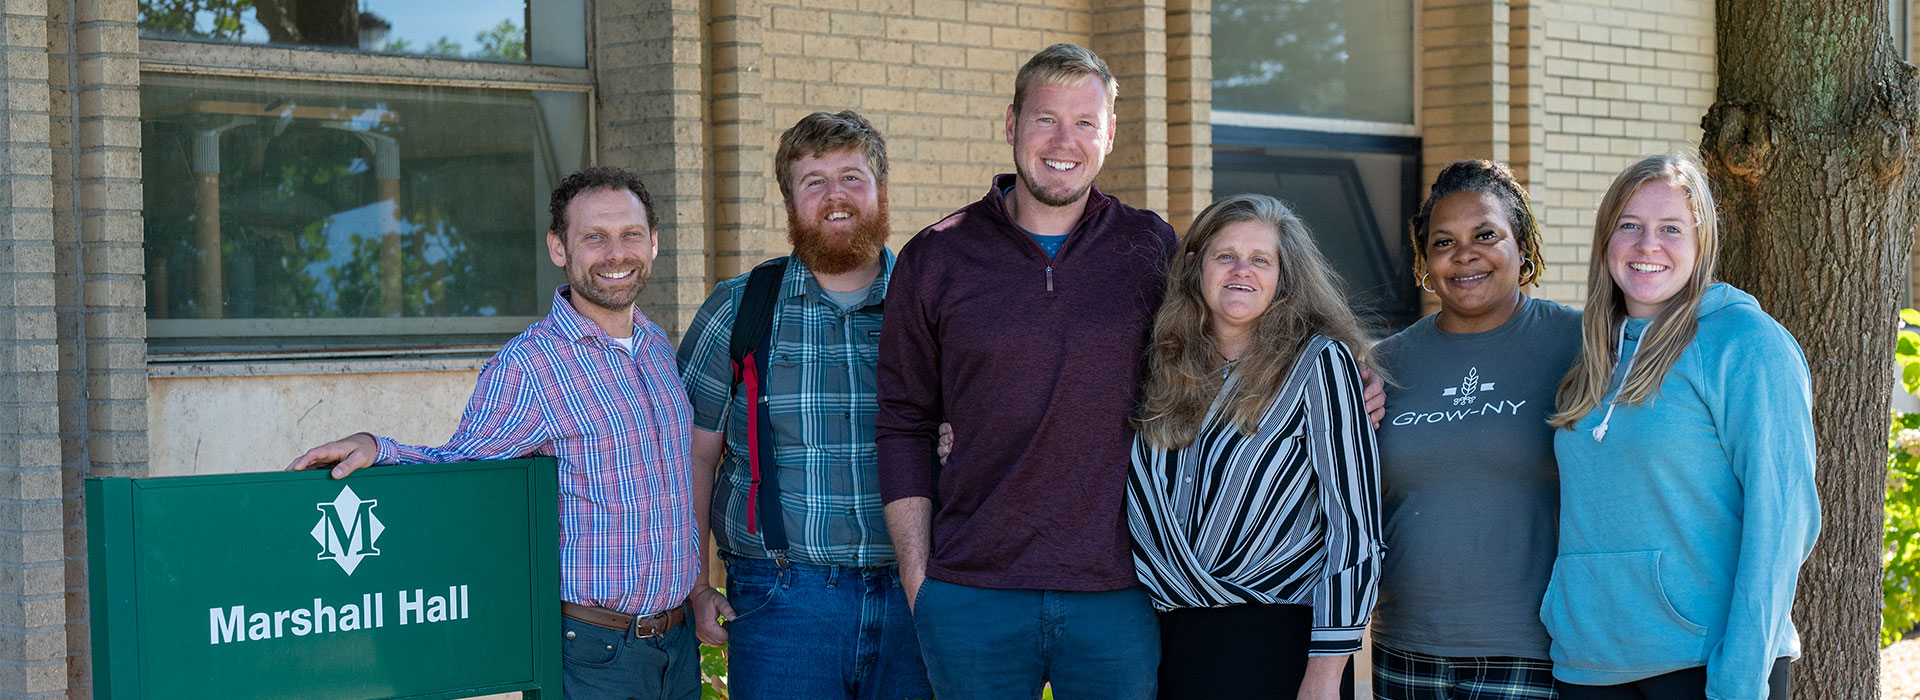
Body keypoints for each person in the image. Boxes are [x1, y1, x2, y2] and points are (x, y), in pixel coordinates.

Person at [285, 167, 702, 700]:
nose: (615, 253)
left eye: (630, 235)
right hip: (595, 655)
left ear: (655, 243)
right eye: (593, 236)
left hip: (678, 647)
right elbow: (466, 473)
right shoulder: (531, 365)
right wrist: (379, 449)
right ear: (559, 247)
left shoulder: (657, 347)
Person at [874, 43, 1176, 700]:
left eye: (1085, 123)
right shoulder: (938, 255)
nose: (1064, 141)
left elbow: (1228, 353)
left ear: (1110, 134)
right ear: (1011, 124)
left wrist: (1343, 367)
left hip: (1119, 593)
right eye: (1046, 119)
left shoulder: (1152, 247)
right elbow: (903, 421)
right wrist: (919, 577)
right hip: (971, 594)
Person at [675, 110, 932, 700]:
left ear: (881, 191)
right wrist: (694, 585)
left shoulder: (931, 305)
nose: (834, 196)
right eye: (813, 182)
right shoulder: (739, 308)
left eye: (852, 177)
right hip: (781, 604)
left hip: (921, 600)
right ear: (789, 201)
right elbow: (691, 457)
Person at [1542, 153, 1818, 700]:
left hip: (1705, 665)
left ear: (1702, 242)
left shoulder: (1746, 342)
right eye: (1630, 226)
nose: (1648, 246)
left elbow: (1782, 518)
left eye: (1671, 228)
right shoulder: (1590, 356)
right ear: (1606, 240)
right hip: (1589, 665)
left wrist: (1741, 678)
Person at [1126, 193, 1384, 700]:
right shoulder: (1161, 364)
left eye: (1260, 259)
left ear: (1284, 277)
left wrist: (1325, 677)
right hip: (1167, 646)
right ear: (1196, 266)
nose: (1241, 270)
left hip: (1280, 648)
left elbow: (1353, 532)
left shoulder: (1319, 365)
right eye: (1226, 256)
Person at [1368, 160, 1578, 699]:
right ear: (1425, 262)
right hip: (1405, 646)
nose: (1464, 255)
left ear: (1522, 247)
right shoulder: (1384, 364)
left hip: (1532, 650)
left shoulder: (1580, 345)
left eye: (1486, 235)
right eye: (1443, 243)